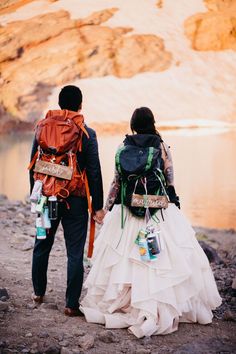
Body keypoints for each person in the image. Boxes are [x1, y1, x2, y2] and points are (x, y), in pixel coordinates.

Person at [81, 107, 222, 337]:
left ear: (133, 125)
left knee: (124, 259)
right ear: (152, 123)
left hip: (127, 212)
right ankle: (158, 302)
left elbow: (116, 184)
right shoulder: (162, 147)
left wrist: (106, 209)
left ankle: (128, 302)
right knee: (158, 260)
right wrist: (174, 203)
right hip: (156, 211)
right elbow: (170, 181)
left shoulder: (122, 148)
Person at [29, 85, 104, 316]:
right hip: (76, 200)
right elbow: (94, 171)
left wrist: (35, 193)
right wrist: (98, 206)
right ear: (80, 105)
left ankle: (38, 293)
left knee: (42, 244)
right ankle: (71, 305)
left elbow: (33, 164)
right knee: (74, 253)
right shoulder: (86, 133)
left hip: (46, 197)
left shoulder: (42, 127)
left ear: (60, 104)